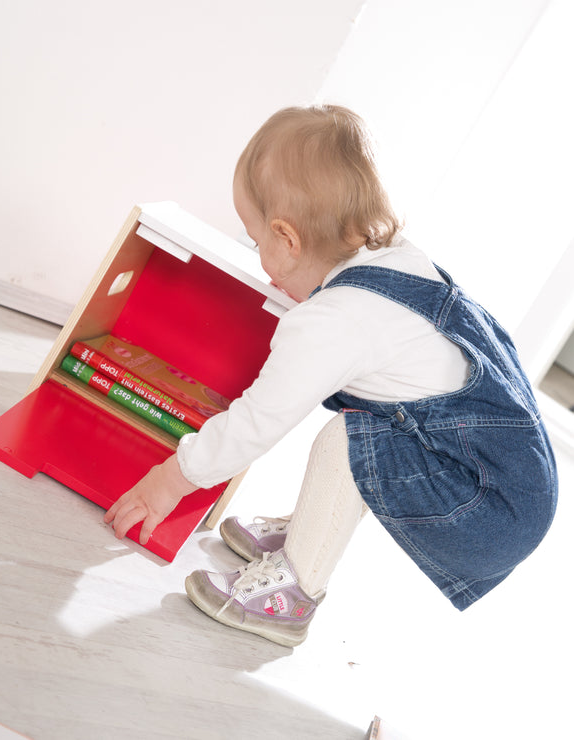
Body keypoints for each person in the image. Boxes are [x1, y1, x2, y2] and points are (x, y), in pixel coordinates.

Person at [104, 104, 558, 647]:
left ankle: (295, 588)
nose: (261, 259)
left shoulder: (335, 320)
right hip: (516, 481)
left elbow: (256, 422)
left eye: (256, 242)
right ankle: (309, 532)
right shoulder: (397, 264)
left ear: (287, 239)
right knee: (375, 429)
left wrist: (168, 482)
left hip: (488, 506)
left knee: (352, 440)